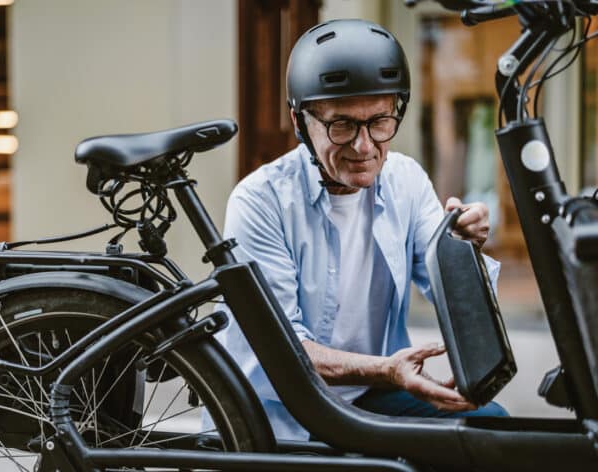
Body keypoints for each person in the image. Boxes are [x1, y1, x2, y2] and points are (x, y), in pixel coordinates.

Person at [216, 19, 508, 441]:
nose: (364, 146)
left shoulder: (405, 179)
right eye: (343, 125)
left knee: (490, 432)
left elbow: (458, 298)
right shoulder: (259, 201)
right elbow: (281, 350)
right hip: (280, 411)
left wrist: (464, 248)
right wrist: (388, 369)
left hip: (368, 397)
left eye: (379, 121)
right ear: (301, 121)